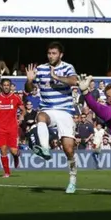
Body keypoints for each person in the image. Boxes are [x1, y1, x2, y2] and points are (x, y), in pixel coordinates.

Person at [25, 42, 79, 194]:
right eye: (49, 53)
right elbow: (29, 90)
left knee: (68, 149)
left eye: (54, 53)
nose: (51, 56)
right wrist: (29, 81)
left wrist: (57, 77)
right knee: (40, 116)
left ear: (61, 55)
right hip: (48, 109)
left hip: (65, 111)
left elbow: (74, 81)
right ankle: (45, 149)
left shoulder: (67, 67)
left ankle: (73, 179)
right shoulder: (41, 68)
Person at [0, 78, 25, 177]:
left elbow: (23, 109)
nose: (6, 87)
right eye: (4, 85)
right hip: (0, 128)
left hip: (12, 128)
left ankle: (16, 156)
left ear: (10, 86)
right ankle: (7, 172)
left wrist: (21, 116)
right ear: (1, 86)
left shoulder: (16, 97)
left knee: (13, 151)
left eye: (8, 85)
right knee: (3, 149)